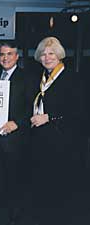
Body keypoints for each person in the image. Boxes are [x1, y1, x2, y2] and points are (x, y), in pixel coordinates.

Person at [30, 37, 85, 225]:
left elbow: (79, 111)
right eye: (43, 54)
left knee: (62, 188)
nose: (47, 58)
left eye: (51, 53)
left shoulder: (72, 77)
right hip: (42, 140)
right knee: (45, 186)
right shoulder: (40, 78)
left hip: (64, 141)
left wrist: (49, 116)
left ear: (59, 55)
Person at [0, 42, 31, 225]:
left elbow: (31, 108)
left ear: (17, 56)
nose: (6, 58)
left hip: (16, 137)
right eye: (2, 54)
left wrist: (17, 123)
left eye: (10, 54)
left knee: (15, 176)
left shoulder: (27, 77)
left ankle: (15, 209)